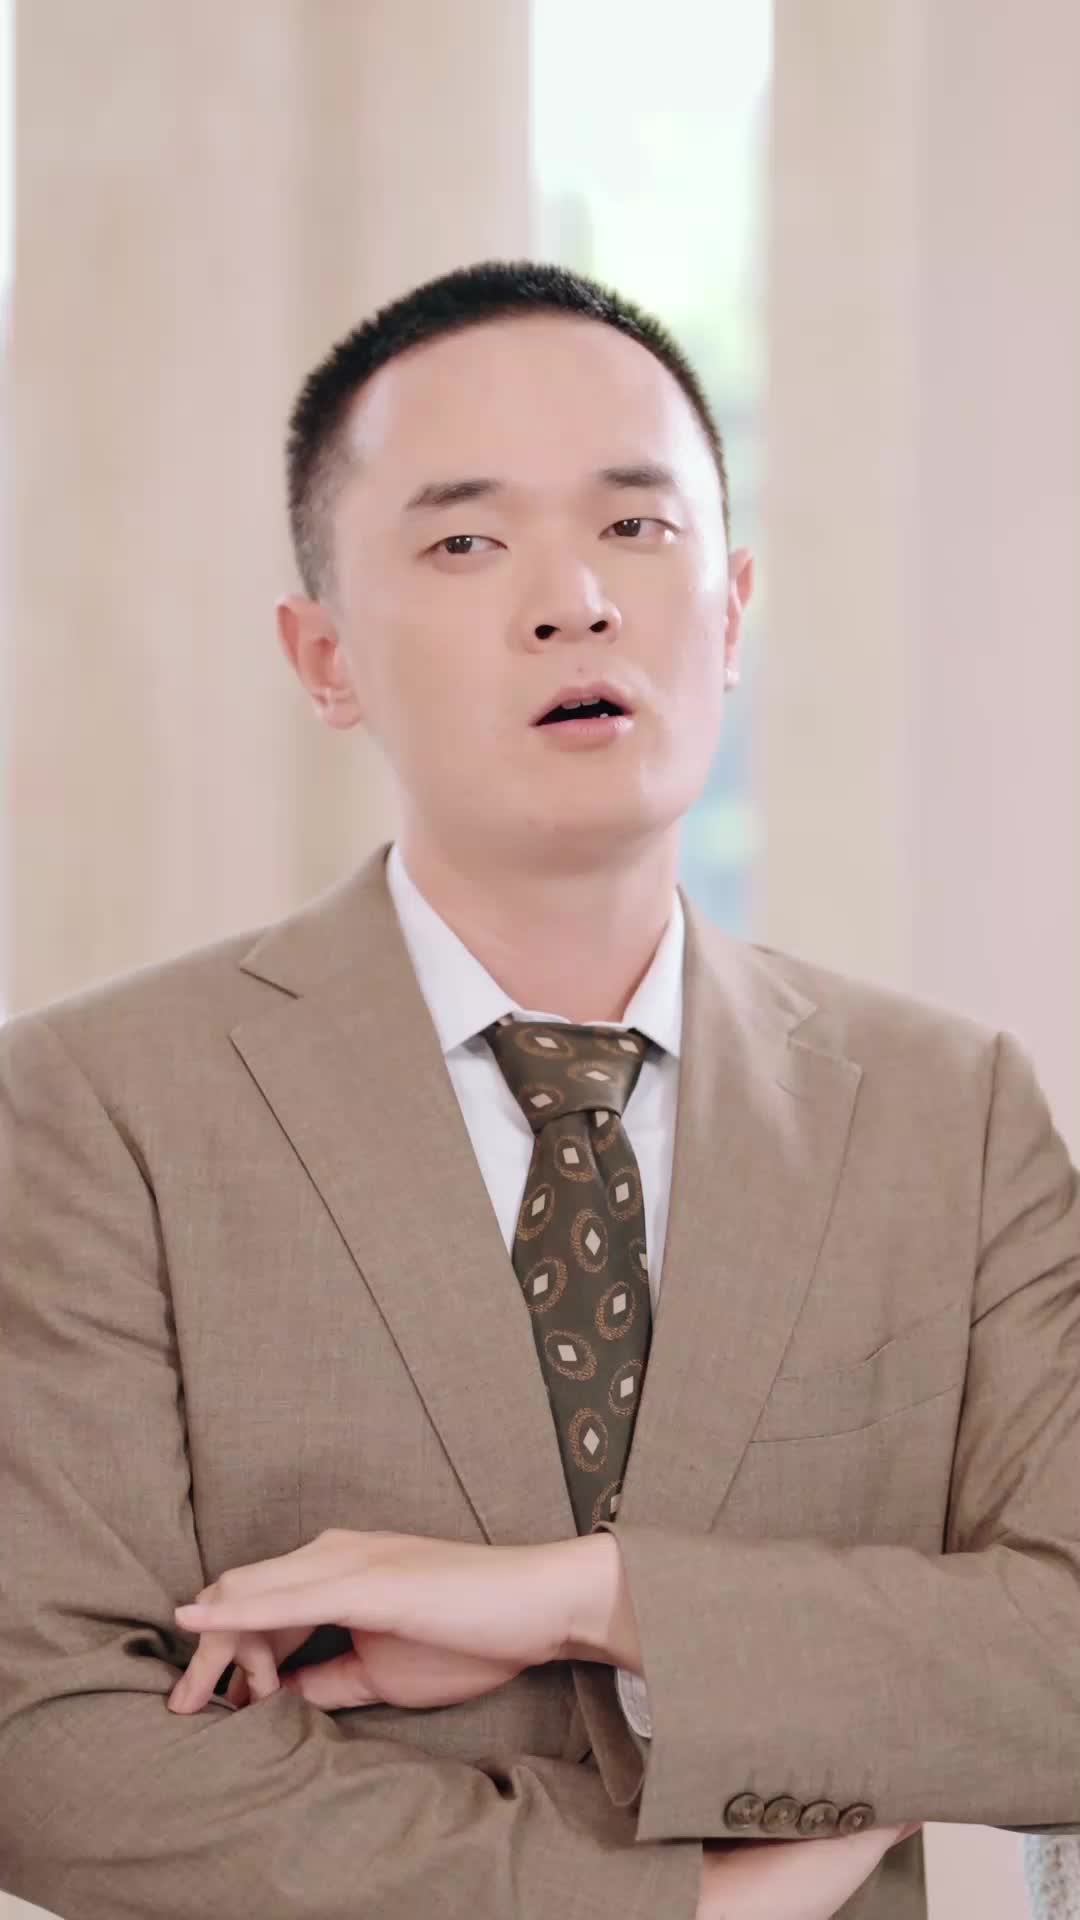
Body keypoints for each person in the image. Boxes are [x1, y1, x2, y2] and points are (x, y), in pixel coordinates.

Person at [1, 260, 1077, 1920]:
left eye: (636, 526)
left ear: (730, 612)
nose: (572, 602)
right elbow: (51, 1746)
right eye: (465, 543)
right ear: (324, 656)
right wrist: (692, 1907)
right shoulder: (93, 1108)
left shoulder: (953, 1112)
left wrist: (594, 1598)